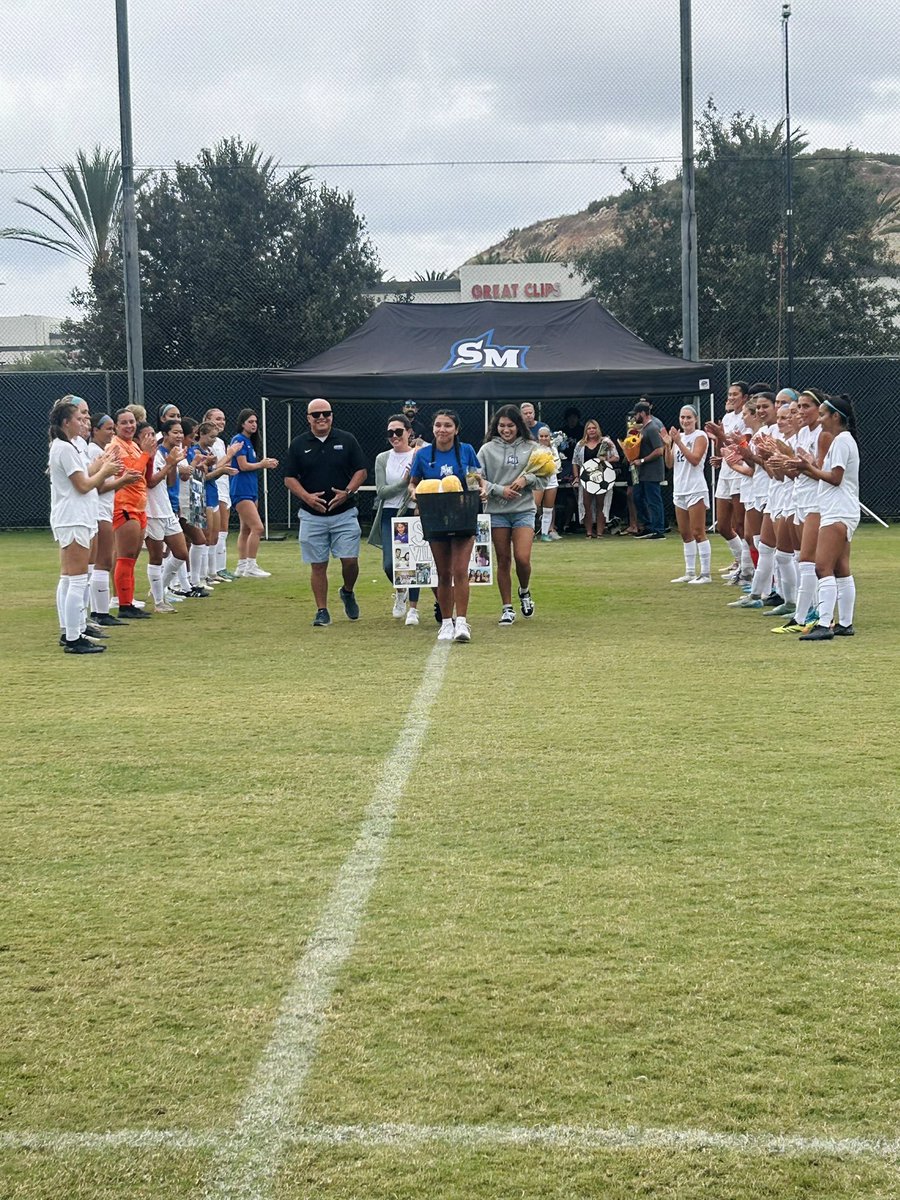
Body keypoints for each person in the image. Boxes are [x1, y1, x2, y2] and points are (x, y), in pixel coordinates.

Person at [283, 398, 368, 627]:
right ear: (308, 418)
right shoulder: (299, 444)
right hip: (312, 515)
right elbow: (289, 478)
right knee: (318, 564)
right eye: (317, 414)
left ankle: (347, 591)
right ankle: (322, 610)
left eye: (326, 414)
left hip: (345, 512)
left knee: (350, 561)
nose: (322, 418)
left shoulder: (347, 439)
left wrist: (347, 492)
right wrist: (307, 497)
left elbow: (361, 470)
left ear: (332, 415)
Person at [47, 398, 122, 653]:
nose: (84, 422)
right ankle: (72, 637)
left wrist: (102, 463)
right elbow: (83, 485)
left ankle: (74, 629)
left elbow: (84, 474)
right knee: (76, 578)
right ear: (66, 422)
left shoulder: (70, 446)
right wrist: (106, 469)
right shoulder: (64, 448)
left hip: (79, 516)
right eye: (79, 418)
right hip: (73, 517)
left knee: (72, 578)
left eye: (84, 417)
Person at [409, 409, 484, 643]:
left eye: (448, 425)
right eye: (438, 425)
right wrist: (415, 494)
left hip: (463, 514)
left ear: (456, 429)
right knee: (443, 573)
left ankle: (462, 622)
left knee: (461, 570)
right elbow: (412, 484)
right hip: (435, 517)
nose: (442, 430)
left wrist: (481, 489)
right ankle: (446, 622)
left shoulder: (467, 451)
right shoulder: (422, 455)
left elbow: (475, 480)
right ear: (433, 428)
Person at [795, 393, 860, 640]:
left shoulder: (842, 441)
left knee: (822, 567)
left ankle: (824, 624)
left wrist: (808, 468)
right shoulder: (842, 440)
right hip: (841, 509)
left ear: (836, 417)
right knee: (842, 568)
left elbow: (835, 478)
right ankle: (845, 623)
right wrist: (810, 465)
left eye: (823, 414)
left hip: (838, 511)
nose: (820, 420)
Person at [477, 405, 540, 625]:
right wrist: (497, 489)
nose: (506, 430)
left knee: (522, 558)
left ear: (518, 426)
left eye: (510, 426)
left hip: (523, 510)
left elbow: (544, 476)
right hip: (497, 512)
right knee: (503, 560)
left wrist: (527, 479)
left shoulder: (532, 447)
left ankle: (524, 590)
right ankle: (507, 608)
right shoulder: (486, 450)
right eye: (502, 426)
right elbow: (476, 477)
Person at [367, 413, 421, 625]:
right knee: (391, 564)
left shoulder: (418, 454)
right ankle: (401, 592)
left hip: (412, 511)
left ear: (409, 432)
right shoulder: (383, 458)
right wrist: (403, 482)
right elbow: (381, 492)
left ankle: (413, 610)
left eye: (398, 432)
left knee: (414, 563)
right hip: (390, 513)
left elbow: (421, 484)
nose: (394, 436)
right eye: (390, 433)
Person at [110, 407, 153, 620]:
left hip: (139, 504)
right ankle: (124, 604)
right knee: (125, 556)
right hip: (125, 505)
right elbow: (133, 474)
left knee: (132, 557)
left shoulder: (134, 445)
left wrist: (148, 454)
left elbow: (146, 475)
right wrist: (146, 453)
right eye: (124, 423)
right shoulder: (116, 446)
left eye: (131, 422)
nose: (129, 426)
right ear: (116, 427)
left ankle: (129, 600)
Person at [142, 421, 189, 613]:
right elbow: (150, 482)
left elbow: (169, 483)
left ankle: (158, 590)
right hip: (152, 511)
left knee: (181, 553)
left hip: (166, 509)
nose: (151, 438)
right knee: (156, 557)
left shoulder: (161, 454)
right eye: (147, 435)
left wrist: (173, 464)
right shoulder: (143, 456)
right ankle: (159, 601)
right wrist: (170, 464)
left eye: (153, 434)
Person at [705, 381, 750, 574]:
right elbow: (725, 447)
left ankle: (748, 567)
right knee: (722, 525)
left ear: (745, 398)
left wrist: (720, 434)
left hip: (740, 472)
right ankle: (740, 560)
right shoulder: (727, 416)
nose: (731, 398)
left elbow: (742, 448)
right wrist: (718, 451)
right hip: (725, 472)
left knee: (740, 524)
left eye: (735, 394)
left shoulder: (746, 418)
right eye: (729, 394)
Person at [663, 406, 711, 582]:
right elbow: (669, 464)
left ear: (695, 419)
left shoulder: (700, 436)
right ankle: (690, 571)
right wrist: (668, 445)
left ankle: (705, 573)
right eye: (682, 417)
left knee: (698, 531)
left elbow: (695, 459)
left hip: (695, 488)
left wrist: (679, 442)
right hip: (680, 488)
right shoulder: (679, 437)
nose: (685, 421)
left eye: (689, 417)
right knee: (684, 533)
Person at [229, 408, 278, 578]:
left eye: (255, 422)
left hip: (250, 490)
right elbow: (242, 466)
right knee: (258, 528)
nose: (254, 425)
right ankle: (251, 564)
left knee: (246, 529)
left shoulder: (249, 442)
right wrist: (262, 464)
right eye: (250, 421)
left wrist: (263, 463)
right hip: (241, 490)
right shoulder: (239, 440)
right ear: (242, 423)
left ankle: (241, 566)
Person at [572, 419, 619, 538]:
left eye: (594, 428)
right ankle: (588, 532)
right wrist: (576, 477)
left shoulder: (606, 442)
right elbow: (575, 461)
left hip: (602, 478)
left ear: (597, 429)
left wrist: (606, 461)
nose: (592, 430)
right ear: (586, 431)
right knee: (586, 505)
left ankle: (599, 532)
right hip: (586, 479)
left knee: (601, 505)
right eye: (589, 428)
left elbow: (616, 456)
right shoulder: (580, 444)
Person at [631, 401, 666, 539]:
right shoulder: (644, 428)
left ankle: (658, 529)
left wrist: (643, 460)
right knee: (637, 497)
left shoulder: (652, 428)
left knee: (653, 500)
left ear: (643, 413)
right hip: (643, 472)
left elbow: (659, 450)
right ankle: (647, 525)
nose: (635, 417)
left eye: (636, 414)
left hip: (652, 471)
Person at [534, 427, 562, 541]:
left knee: (548, 508)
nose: (544, 438)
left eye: (546, 436)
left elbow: (558, 465)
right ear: (538, 437)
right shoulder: (534, 449)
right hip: (538, 480)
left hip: (552, 481)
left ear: (550, 437)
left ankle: (545, 533)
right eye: (541, 436)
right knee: (534, 507)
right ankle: (530, 532)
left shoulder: (554, 449)